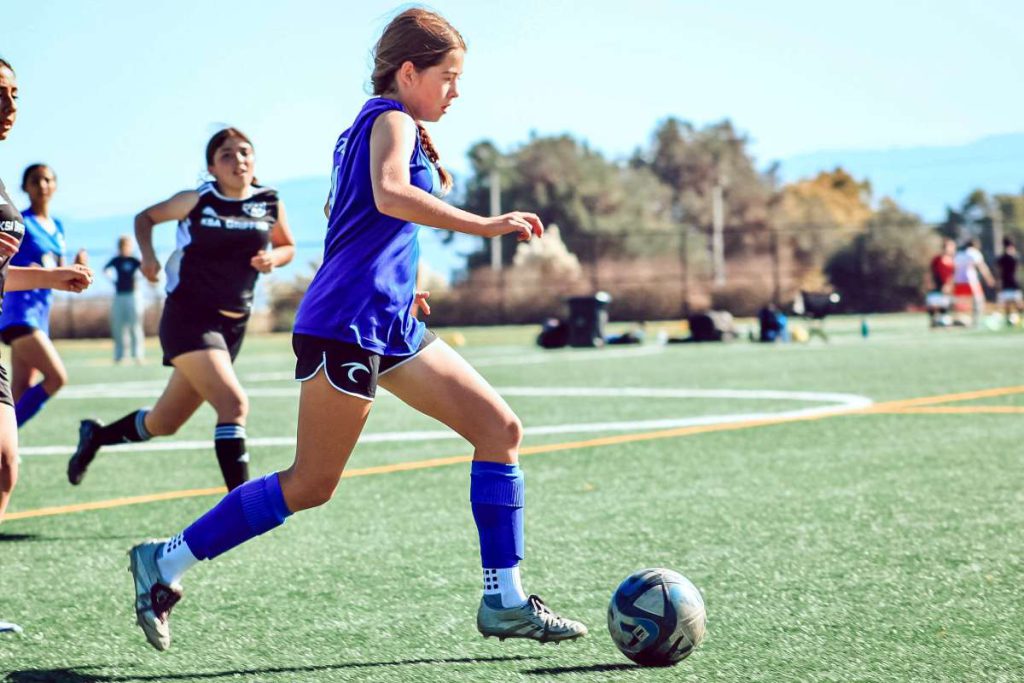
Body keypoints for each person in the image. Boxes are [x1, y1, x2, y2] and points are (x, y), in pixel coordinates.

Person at [122, 9, 587, 652]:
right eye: (448, 76)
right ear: (408, 72)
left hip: (388, 322)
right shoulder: (390, 118)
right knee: (311, 484)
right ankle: (165, 562)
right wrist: (485, 225)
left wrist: (406, 282)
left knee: (499, 429)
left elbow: (366, 218)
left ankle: (503, 597)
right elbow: (392, 194)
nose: (456, 90)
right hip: (345, 323)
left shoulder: (382, 124)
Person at [67, 127, 296, 491]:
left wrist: (275, 258)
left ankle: (95, 436)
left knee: (164, 422)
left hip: (233, 326)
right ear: (212, 167)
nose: (238, 160)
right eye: (227, 155)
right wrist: (149, 257)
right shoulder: (196, 200)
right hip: (190, 317)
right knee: (234, 404)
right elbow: (145, 218)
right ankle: (240, 512)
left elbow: (288, 246)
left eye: (245, 152)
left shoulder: (269, 202)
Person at [0, 56, 93, 634]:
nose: (10, 105)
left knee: (5, 466)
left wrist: (56, 279)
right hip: (17, 323)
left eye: (15, 93)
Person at [0, 163, 85, 426]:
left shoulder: (57, 226)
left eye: (48, 180)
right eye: (35, 181)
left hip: (40, 314)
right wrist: (33, 271)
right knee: (56, 378)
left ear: (56, 185)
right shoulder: (19, 221)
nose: (42, 185)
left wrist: (75, 265)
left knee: (22, 387)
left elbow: (53, 266)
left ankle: (8, 443)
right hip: (19, 313)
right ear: (25, 187)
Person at [104, 235, 144, 363]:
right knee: (118, 325)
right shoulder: (116, 260)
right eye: (122, 245)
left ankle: (137, 354)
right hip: (119, 295)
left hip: (133, 295)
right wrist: (112, 281)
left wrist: (139, 280)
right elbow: (105, 270)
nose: (124, 248)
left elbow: (145, 269)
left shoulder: (134, 260)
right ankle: (120, 355)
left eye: (126, 245)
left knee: (135, 325)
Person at [952, 238, 995, 328]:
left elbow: (954, 269)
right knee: (978, 301)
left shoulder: (959, 254)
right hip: (970, 281)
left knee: (960, 303)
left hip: (958, 282)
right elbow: (982, 267)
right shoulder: (974, 252)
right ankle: (976, 322)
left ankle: (959, 320)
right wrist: (989, 279)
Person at [926, 237, 955, 327]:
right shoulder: (937, 259)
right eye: (951, 247)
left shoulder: (952, 261)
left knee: (944, 307)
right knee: (933, 304)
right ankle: (933, 323)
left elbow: (951, 276)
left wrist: (949, 286)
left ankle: (943, 322)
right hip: (936, 286)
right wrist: (929, 282)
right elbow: (930, 272)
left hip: (946, 288)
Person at [996, 237, 1022, 326]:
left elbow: (999, 271)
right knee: (1014, 303)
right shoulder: (1012, 257)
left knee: (1013, 304)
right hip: (1012, 282)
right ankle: (1011, 321)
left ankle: (1012, 319)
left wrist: (999, 282)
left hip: (1009, 282)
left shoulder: (1004, 257)